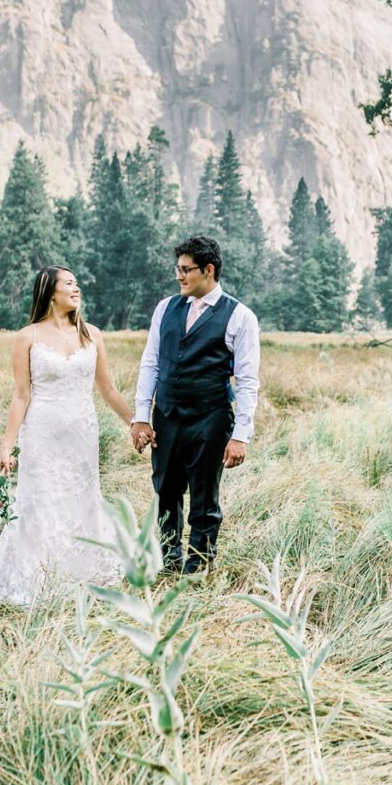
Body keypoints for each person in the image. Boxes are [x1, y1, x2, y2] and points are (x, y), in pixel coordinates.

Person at [0, 266, 138, 608]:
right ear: (50, 292)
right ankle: (38, 574)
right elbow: (21, 395)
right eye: (69, 284)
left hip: (82, 435)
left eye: (77, 283)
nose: (76, 288)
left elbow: (107, 390)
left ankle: (83, 570)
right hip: (42, 436)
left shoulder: (91, 334)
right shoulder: (27, 337)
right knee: (41, 502)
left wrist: (136, 423)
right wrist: (7, 445)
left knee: (82, 498)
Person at [129, 234, 260, 573]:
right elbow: (151, 363)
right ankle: (167, 559)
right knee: (165, 491)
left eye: (186, 270)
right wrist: (141, 417)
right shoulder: (165, 308)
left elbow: (247, 381)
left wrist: (241, 435)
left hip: (210, 418)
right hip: (167, 416)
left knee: (204, 497)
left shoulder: (240, 316)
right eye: (178, 268)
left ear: (209, 270)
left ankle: (198, 566)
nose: (179, 276)